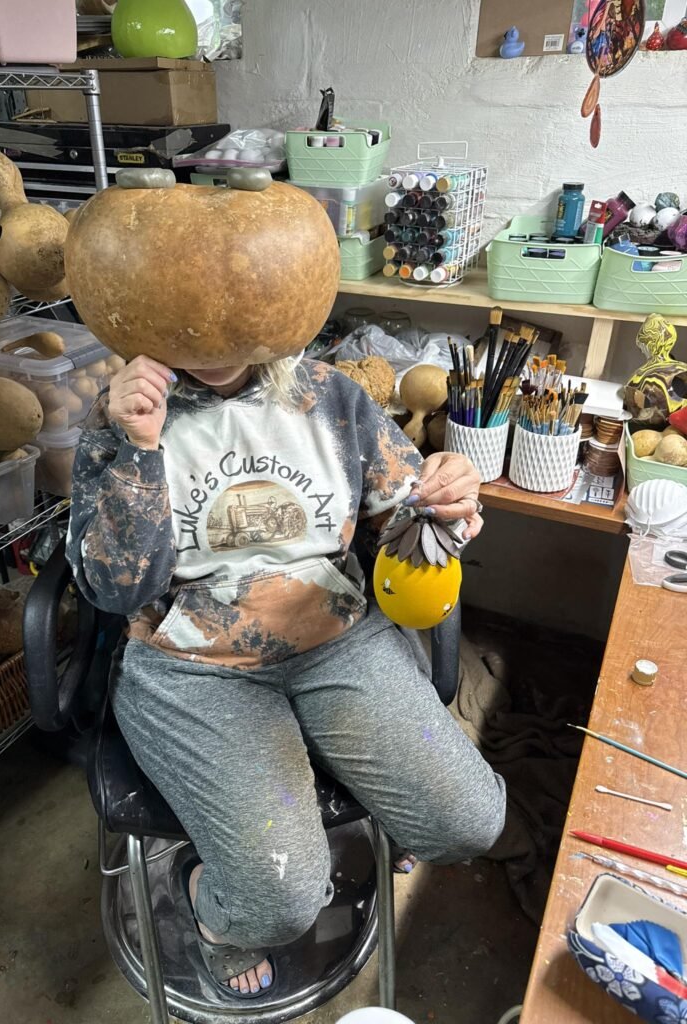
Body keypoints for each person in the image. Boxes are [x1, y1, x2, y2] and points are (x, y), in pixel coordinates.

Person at [67, 353, 506, 998]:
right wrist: (139, 449)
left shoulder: (331, 396)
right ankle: (212, 907)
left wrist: (446, 505)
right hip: (191, 665)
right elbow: (113, 590)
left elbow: (406, 524)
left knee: (468, 822)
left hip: (335, 639)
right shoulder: (122, 412)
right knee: (275, 903)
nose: (215, 344)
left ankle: (345, 774)